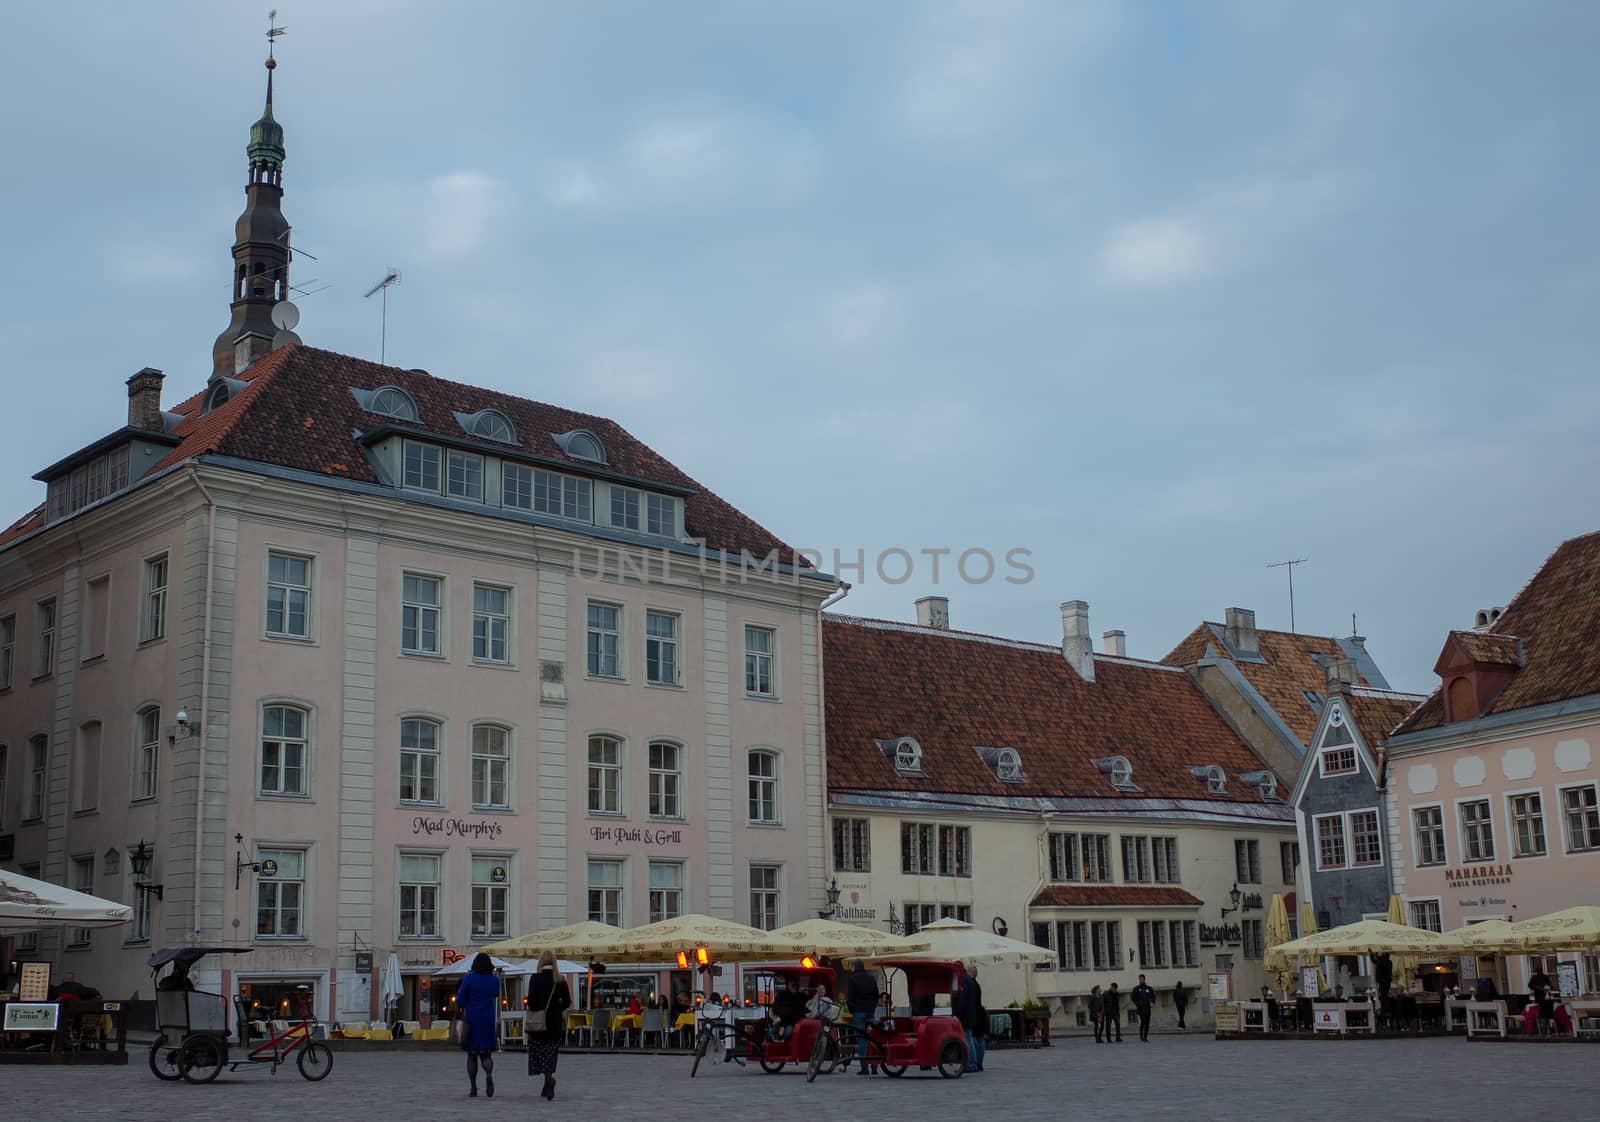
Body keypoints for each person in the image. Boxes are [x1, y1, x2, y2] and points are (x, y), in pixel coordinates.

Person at [525, 950, 572, 1101]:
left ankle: (548, 1082)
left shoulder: (535, 978)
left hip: (538, 1023)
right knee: (551, 1054)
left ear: (540, 962)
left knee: (540, 1053)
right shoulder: (560, 979)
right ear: (554, 962)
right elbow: (567, 1001)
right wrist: (557, 1008)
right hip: (554, 1023)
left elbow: (531, 1001)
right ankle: (548, 1082)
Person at [455, 953, 501, 1099]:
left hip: (472, 1019)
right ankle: (488, 1073)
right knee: (486, 1054)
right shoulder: (495, 980)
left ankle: (473, 1087)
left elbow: (460, 1001)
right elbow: (496, 994)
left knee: (472, 1054)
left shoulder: (469, 978)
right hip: (487, 1018)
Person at [846, 960, 881, 1075]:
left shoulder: (852, 979)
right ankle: (874, 1067)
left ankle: (864, 1067)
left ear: (854, 967)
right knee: (872, 1038)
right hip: (870, 1011)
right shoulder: (871, 978)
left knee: (861, 1039)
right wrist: (872, 1007)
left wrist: (852, 1010)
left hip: (858, 1012)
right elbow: (876, 995)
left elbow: (850, 998)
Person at [952, 966, 980, 1072]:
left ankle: (971, 1064)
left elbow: (962, 1000)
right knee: (969, 1038)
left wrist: (957, 1014)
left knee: (967, 1038)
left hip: (965, 1016)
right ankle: (972, 1063)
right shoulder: (967, 979)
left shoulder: (963, 980)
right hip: (969, 1015)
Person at [1131, 974, 1155, 1043]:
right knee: (1143, 1022)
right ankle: (1141, 1035)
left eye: (1142, 979)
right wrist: (1138, 1004)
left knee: (1147, 1023)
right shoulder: (1136, 988)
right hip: (1141, 1009)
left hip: (1147, 1008)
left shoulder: (1149, 988)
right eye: (1139, 979)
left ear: (1144, 979)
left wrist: (1152, 1002)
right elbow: (1133, 997)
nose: (1141, 980)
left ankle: (1145, 1036)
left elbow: (1153, 996)